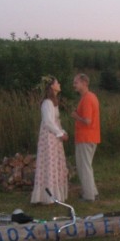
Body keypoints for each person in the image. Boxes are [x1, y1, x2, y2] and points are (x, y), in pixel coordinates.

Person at [31, 76, 69, 204]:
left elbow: (55, 121)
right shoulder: (47, 102)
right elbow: (48, 122)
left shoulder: (53, 101)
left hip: (54, 136)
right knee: (49, 163)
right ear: (52, 86)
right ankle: (48, 195)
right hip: (49, 137)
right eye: (57, 82)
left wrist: (62, 132)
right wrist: (59, 133)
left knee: (55, 163)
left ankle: (55, 194)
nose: (59, 84)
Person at [71, 73, 100, 202]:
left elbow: (87, 121)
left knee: (84, 167)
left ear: (84, 83)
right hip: (91, 137)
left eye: (76, 83)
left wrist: (76, 116)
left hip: (86, 137)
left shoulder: (87, 98)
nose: (74, 85)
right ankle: (92, 191)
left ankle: (89, 196)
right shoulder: (90, 97)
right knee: (87, 165)